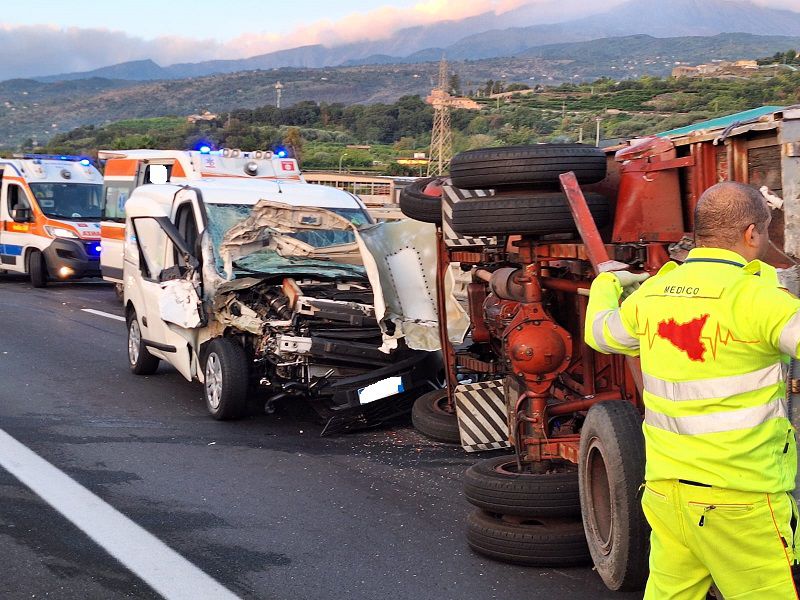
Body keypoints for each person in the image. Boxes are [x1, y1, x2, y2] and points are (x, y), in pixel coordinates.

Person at [585, 181, 800, 599]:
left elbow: (600, 333)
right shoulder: (757, 299)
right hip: (741, 502)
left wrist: (606, 284)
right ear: (752, 233)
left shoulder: (653, 293)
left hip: (668, 495)